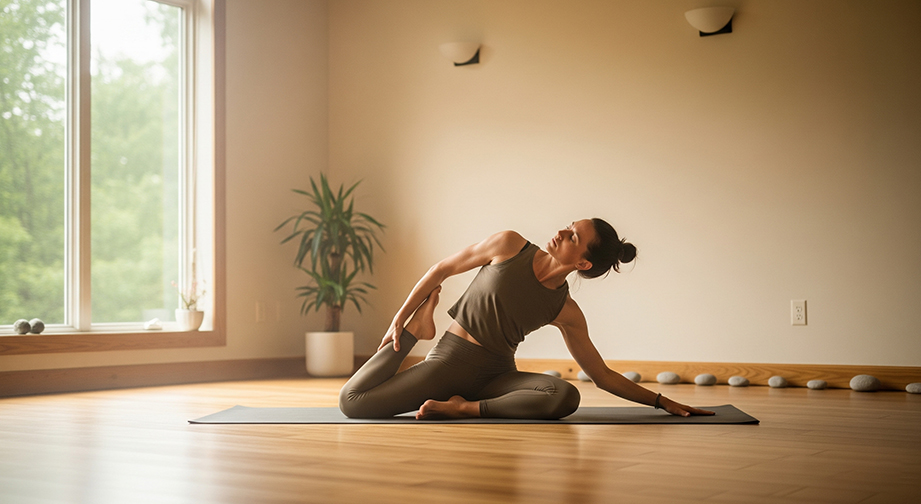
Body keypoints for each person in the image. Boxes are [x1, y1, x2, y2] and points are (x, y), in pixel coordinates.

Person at [339, 218, 714, 420]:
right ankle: (417, 331)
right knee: (352, 402)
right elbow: (442, 269)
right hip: (448, 363)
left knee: (564, 395)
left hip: (495, 376)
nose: (561, 231)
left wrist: (661, 401)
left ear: (582, 263)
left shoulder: (565, 310)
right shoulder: (508, 245)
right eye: (569, 225)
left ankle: (462, 409)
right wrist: (400, 318)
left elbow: (601, 375)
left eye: (573, 236)